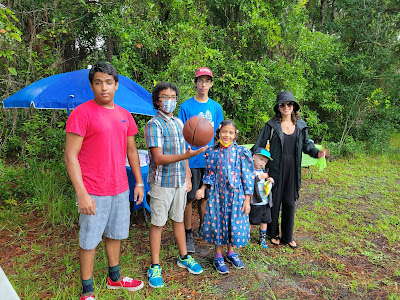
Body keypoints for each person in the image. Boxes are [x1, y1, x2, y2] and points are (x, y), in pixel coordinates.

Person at [64, 62, 144, 300]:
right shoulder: (81, 113)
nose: (103, 87)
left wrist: (138, 182)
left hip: (120, 187)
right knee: (89, 240)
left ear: (116, 85)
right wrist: (82, 193)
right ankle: (87, 290)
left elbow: (132, 152)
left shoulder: (124, 115)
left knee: (115, 234)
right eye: (98, 82)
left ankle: (114, 279)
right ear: (92, 86)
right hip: (93, 189)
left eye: (108, 82)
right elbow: (70, 156)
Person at [144, 81, 206, 288]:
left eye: (172, 97)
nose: (169, 101)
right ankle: (154, 265)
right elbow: (159, 158)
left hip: (179, 181)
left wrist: (188, 175)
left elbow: (184, 151)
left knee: (178, 220)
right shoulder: (153, 125)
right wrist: (185, 156)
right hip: (161, 183)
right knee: (158, 223)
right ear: (156, 101)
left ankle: (184, 256)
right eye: (164, 97)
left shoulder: (180, 124)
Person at [252, 91, 327, 249]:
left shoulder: (301, 125)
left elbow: (307, 146)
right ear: (278, 107)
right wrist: (252, 158)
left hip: (293, 168)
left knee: (289, 202)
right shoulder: (271, 125)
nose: (286, 107)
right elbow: (259, 145)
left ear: (294, 107)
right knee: (274, 201)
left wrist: (317, 153)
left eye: (289, 104)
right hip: (275, 167)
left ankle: (288, 236)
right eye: (282, 104)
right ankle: (273, 234)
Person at [196, 119, 255, 274]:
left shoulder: (241, 152)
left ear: (235, 134)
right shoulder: (212, 151)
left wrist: (247, 199)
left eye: (230, 132)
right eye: (224, 132)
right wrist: (202, 188)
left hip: (236, 195)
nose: (227, 135)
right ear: (219, 132)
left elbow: (247, 176)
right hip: (217, 195)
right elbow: (209, 173)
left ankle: (230, 253)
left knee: (233, 223)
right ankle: (217, 256)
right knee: (217, 223)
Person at [178, 67, 224, 253]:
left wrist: (219, 157)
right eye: (200, 80)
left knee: (206, 196)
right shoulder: (186, 107)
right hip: (191, 160)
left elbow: (221, 134)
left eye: (207, 80)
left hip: (210, 160)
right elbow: (181, 136)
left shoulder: (215, 107)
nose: (203, 84)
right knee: (189, 198)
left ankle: (204, 228)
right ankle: (188, 232)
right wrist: (185, 164)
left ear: (211, 84)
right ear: (195, 83)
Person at [249, 148, 275, 249]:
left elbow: (267, 184)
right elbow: (248, 183)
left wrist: (271, 180)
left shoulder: (264, 171)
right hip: (254, 202)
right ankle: (247, 236)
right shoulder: (250, 171)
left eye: (265, 161)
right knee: (251, 220)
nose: (262, 163)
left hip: (265, 202)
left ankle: (262, 238)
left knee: (265, 220)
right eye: (261, 159)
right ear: (254, 157)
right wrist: (258, 178)